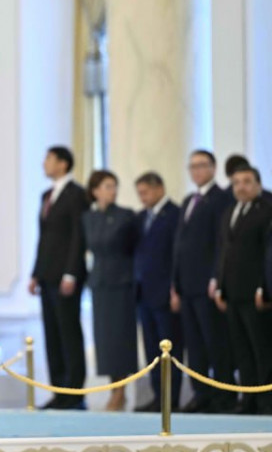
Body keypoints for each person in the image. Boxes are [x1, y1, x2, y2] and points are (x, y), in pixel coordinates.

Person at [171, 150, 233, 413]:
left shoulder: (222, 198)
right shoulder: (189, 200)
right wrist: (175, 284)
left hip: (207, 285)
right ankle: (201, 394)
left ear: (213, 168)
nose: (196, 171)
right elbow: (179, 245)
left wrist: (216, 278)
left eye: (201, 165)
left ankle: (224, 396)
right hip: (186, 285)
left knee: (215, 342)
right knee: (194, 346)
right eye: (192, 166)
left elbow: (221, 243)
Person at [28, 146, 88, 410]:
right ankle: (58, 389)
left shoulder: (77, 194)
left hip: (66, 276)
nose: (44, 163)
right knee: (52, 333)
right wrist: (35, 273)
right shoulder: (46, 195)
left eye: (49, 159)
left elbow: (78, 236)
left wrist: (71, 273)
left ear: (63, 164)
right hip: (47, 275)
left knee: (68, 332)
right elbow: (43, 238)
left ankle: (74, 392)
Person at [213, 165, 272, 414]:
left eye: (247, 181)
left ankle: (266, 402)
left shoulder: (267, 211)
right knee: (241, 351)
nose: (241, 187)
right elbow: (223, 252)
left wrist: (264, 287)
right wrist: (220, 286)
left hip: (255, 294)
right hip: (232, 293)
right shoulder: (229, 211)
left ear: (257, 184)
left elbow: (268, 254)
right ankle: (248, 400)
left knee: (262, 350)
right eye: (236, 182)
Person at [81, 171, 138, 411]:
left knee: (120, 339)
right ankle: (112, 387)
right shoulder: (88, 217)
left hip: (121, 283)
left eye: (114, 186)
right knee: (104, 340)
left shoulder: (126, 216)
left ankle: (121, 390)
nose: (112, 191)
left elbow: (133, 248)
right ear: (95, 190)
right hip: (99, 284)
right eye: (107, 186)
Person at [133, 172, 183, 412]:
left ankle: (171, 400)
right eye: (139, 193)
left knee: (169, 349)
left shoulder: (175, 214)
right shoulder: (142, 217)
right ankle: (157, 397)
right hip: (143, 293)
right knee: (151, 349)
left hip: (165, 293)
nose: (142, 198)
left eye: (145, 192)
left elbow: (177, 255)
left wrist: (175, 288)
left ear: (159, 188)